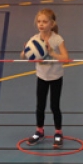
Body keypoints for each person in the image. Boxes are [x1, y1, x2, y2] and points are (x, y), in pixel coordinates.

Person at [23, 8, 70, 148]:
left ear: (52, 23)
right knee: (40, 106)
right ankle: (39, 131)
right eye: (39, 21)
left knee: (55, 106)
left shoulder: (57, 39)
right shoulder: (34, 39)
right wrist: (26, 51)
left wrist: (52, 53)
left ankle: (58, 133)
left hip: (56, 77)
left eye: (44, 21)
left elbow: (66, 59)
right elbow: (23, 55)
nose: (41, 24)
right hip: (41, 77)